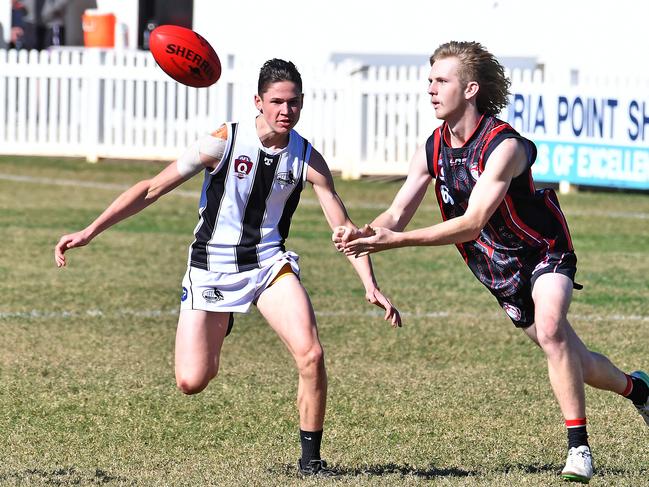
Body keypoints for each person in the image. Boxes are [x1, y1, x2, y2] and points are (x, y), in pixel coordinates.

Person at [55, 58, 401, 477]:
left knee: (311, 354)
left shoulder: (308, 158)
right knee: (191, 380)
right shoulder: (224, 141)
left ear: (302, 103)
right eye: (276, 102)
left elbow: (344, 228)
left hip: (269, 265)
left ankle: (311, 463)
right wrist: (90, 231)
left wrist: (369, 282)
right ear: (258, 101)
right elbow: (151, 189)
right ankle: (223, 323)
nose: (285, 111)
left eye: (293, 103)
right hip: (211, 268)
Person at [333, 41, 648, 484]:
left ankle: (579, 450)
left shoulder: (504, 147)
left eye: (441, 80)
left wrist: (394, 242)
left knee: (554, 328)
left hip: (542, 249)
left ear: (470, 89)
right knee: (573, 357)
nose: (431, 89)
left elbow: (472, 223)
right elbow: (397, 212)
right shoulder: (433, 148)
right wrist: (365, 232)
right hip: (498, 271)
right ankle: (639, 389)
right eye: (429, 80)